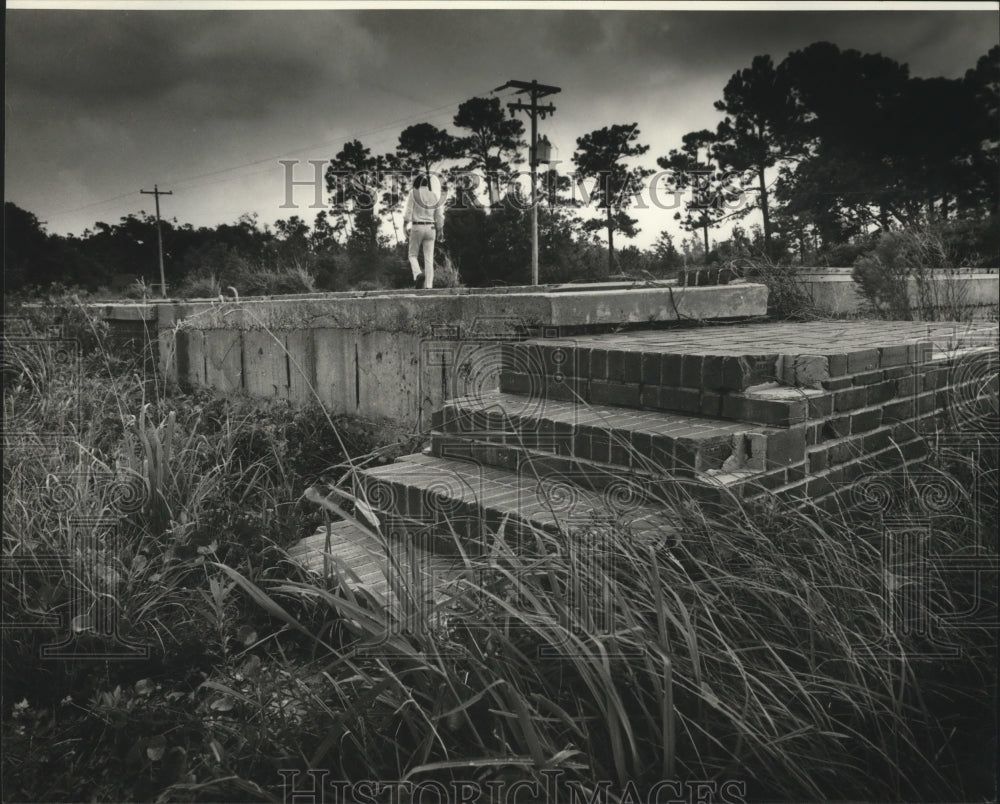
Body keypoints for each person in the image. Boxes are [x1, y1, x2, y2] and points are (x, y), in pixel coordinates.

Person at [402, 173, 445, 289]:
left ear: (417, 184)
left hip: (417, 227)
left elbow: (408, 212)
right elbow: (440, 215)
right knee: (429, 258)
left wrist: (405, 225)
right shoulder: (434, 196)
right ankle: (429, 286)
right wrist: (440, 230)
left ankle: (418, 274)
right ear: (427, 184)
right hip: (431, 228)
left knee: (412, 255)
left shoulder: (413, 193)